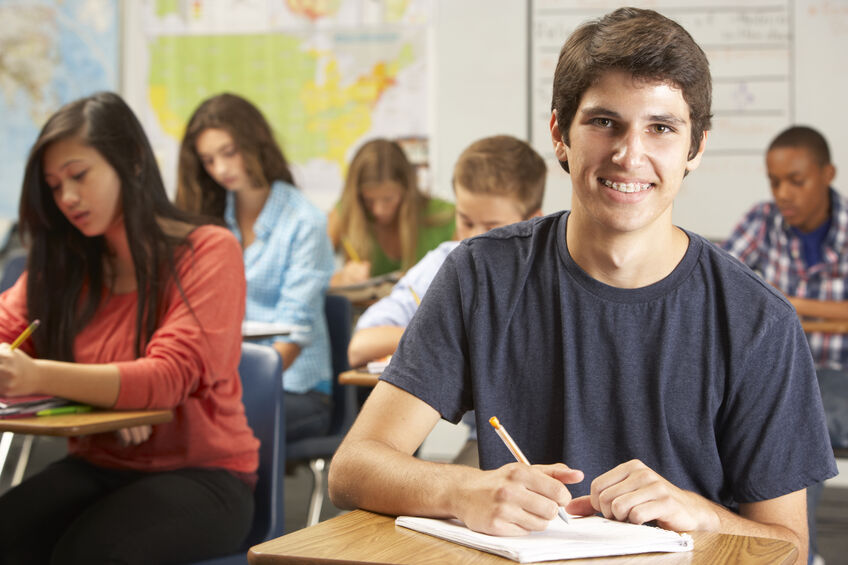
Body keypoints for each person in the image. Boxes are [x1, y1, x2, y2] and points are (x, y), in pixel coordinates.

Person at [327, 8, 836, 565]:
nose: (629, 154)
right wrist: (460, 489)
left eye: (661, 128)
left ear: (695, 148)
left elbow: (790, 547)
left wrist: (700, 512)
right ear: (559, 134)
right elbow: (353, 468)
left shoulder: (759, 321)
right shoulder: (481, 275)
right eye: (604, 122)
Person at [0, 92, 258, 564]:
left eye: (79, 175)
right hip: (98, 464)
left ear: (133, 160)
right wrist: (114, 395)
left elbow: (166, 378)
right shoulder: (64, 263)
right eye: (54, 186)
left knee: (87, 554)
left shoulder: (209, 250)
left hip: (205, 476)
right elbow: (5, 332)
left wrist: (38, 376)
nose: (67, 198)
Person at [177, 93, 335, 442]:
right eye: (208, 160)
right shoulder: (212, 219)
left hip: (298, 390)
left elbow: (292, 339)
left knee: (205, 428)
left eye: (229, 152)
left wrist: (225, 391)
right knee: (174, 417)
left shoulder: (304, 221)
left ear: (255, 142)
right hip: (230, 386)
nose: (220, 169)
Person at [722, 125, 843, 564]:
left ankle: (797, 555)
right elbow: (723, 285)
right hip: (778, 370)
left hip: (837, 375)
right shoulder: (762, 219)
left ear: (827, 174)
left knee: (803, 416)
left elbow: (768, 305)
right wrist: (827, 316)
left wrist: (789, 306)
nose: (783, 194)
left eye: (797, 181)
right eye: (775, 182)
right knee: (740, 416)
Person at [348, 134, 546, 368]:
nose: (474, 239)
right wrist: (447, 340)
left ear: (533, 222)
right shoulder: (440, 266)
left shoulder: (551, 274)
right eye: (466, 222)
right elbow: (360, 346)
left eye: (492, 227)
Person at [327, 138, 455, 286]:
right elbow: (311, 276)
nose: (378, 210)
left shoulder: (445, 216)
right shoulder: (346, 212)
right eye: (368, 200)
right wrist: (340, 279)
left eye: (388, 199)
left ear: (407, 190)